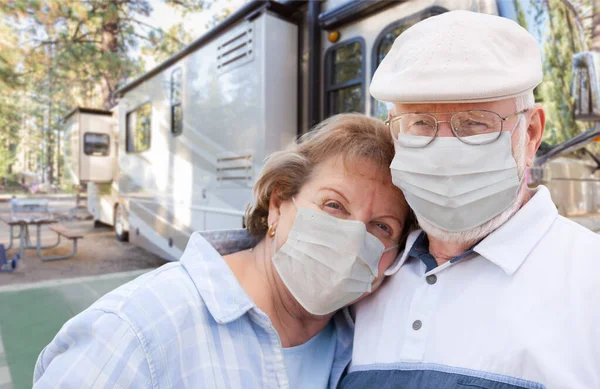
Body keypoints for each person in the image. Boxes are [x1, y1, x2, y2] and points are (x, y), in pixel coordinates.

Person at [33, 113, 412, 389]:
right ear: (278, 204)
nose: (352, 236)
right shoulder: (136, 331)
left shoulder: (360, 342)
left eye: (381, 227)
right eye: (334, 205)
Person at [341, 10, 600, 389]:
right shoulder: (366, 273)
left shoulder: (589, 278)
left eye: (475, 122)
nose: (444, 150)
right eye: (420, 124)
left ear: (530, 133)